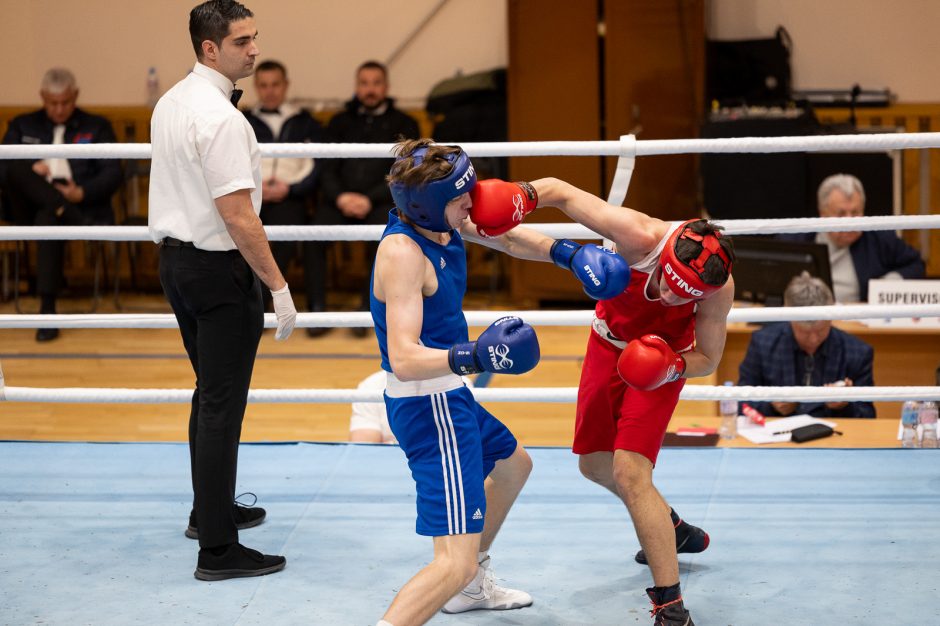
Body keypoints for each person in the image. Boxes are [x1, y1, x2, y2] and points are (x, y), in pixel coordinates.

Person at [371, 139, 631, 626]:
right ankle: (458, 581)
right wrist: (474, 355)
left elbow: (507, 237)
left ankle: (470, 588)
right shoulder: (404, 254)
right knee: (452, 562)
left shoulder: (441, 223)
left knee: (513, 465)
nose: (473, 203)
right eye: (461, 197)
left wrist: (570, 254)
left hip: (449, 395)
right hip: (429, 407)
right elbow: (404, 357)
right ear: (430, 204)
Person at [471, 178, 737, 625]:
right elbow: (558, 189)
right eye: (668, 286)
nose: (671, 297)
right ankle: (672, 527)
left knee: (630, 471)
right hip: (605, 345)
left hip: (661, 365)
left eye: (683, 296)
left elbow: (708, 359)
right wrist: (525, 195)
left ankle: (671, 606)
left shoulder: (719, 289)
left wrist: (669, 365)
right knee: (593, 465)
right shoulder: (637, 234)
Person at [148, 0, 297, 582]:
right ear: (210, 48)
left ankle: (206, 512)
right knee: (220, 404)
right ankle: (217, 549)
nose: (254, 50)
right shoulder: (221, 118)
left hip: (178, 267)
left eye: (255, 37)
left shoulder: (171, 102)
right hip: (218, 270)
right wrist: (278, 286)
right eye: (242, 42)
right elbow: (238, 215)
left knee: (207, 391)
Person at [0, 68, 122, 341]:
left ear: (75, 96)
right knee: (16, 167)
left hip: (77, 204)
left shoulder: (96, 125)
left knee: (49, 217)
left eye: (65, 102)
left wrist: (81, 192)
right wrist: (32, 168)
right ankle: (61, 206)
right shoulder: (23, 124)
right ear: (42, 97)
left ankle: (47, 310)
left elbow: (113, 172)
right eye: (52, 102)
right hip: (26, 209)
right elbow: (4, 169)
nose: (59, 109)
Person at [305, 60, 419, 338]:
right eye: (364, 83)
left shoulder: (405, 123)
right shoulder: (339, 121)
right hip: (338, 199)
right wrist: (341, 196)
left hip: (383, 201)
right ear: (357, 87)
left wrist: (370, 199)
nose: (370, 89)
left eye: (376, 83)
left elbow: (405, 171)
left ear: (386, 86)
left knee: (385, 238)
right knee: (311, 237)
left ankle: (366, 307)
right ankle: (316, 309)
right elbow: (326, 167)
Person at [242, 59, 324, 309]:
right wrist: (255, 188)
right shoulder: (240, 120)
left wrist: (291, 188)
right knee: (238, 231)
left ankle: (266, 302)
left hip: (290, 196)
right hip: (250, 196)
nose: (270, 90)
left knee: (288, 232)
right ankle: (247, 306)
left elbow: (316, 165)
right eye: (264, 85)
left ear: (286, 85)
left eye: (275, 84)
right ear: (256, 86)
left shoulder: (305, 121)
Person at [738, 272, 875, 418]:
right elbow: (740, 404)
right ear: (789, 320)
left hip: (834, 437)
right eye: (804, 332)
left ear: (832, 318)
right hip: (777, 436)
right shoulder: (762, 343)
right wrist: (771, 406)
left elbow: (868, 415)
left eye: (821, 330)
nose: (813, 339)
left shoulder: (858, 352)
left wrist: (844, 406)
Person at [782, 173, 924, 302]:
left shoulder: (880, 238)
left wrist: (888, 283)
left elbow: (916, 265)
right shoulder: (797, 239)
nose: (850, 222)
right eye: (841, 214)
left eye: (855, 213)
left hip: (858, 320)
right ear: (823, 215)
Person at [349, 370, 473, 444]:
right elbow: (364, 447)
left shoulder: (458, 384)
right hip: (385, 471)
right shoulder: (371, 385)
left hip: (435, 470)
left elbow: (458, 443)